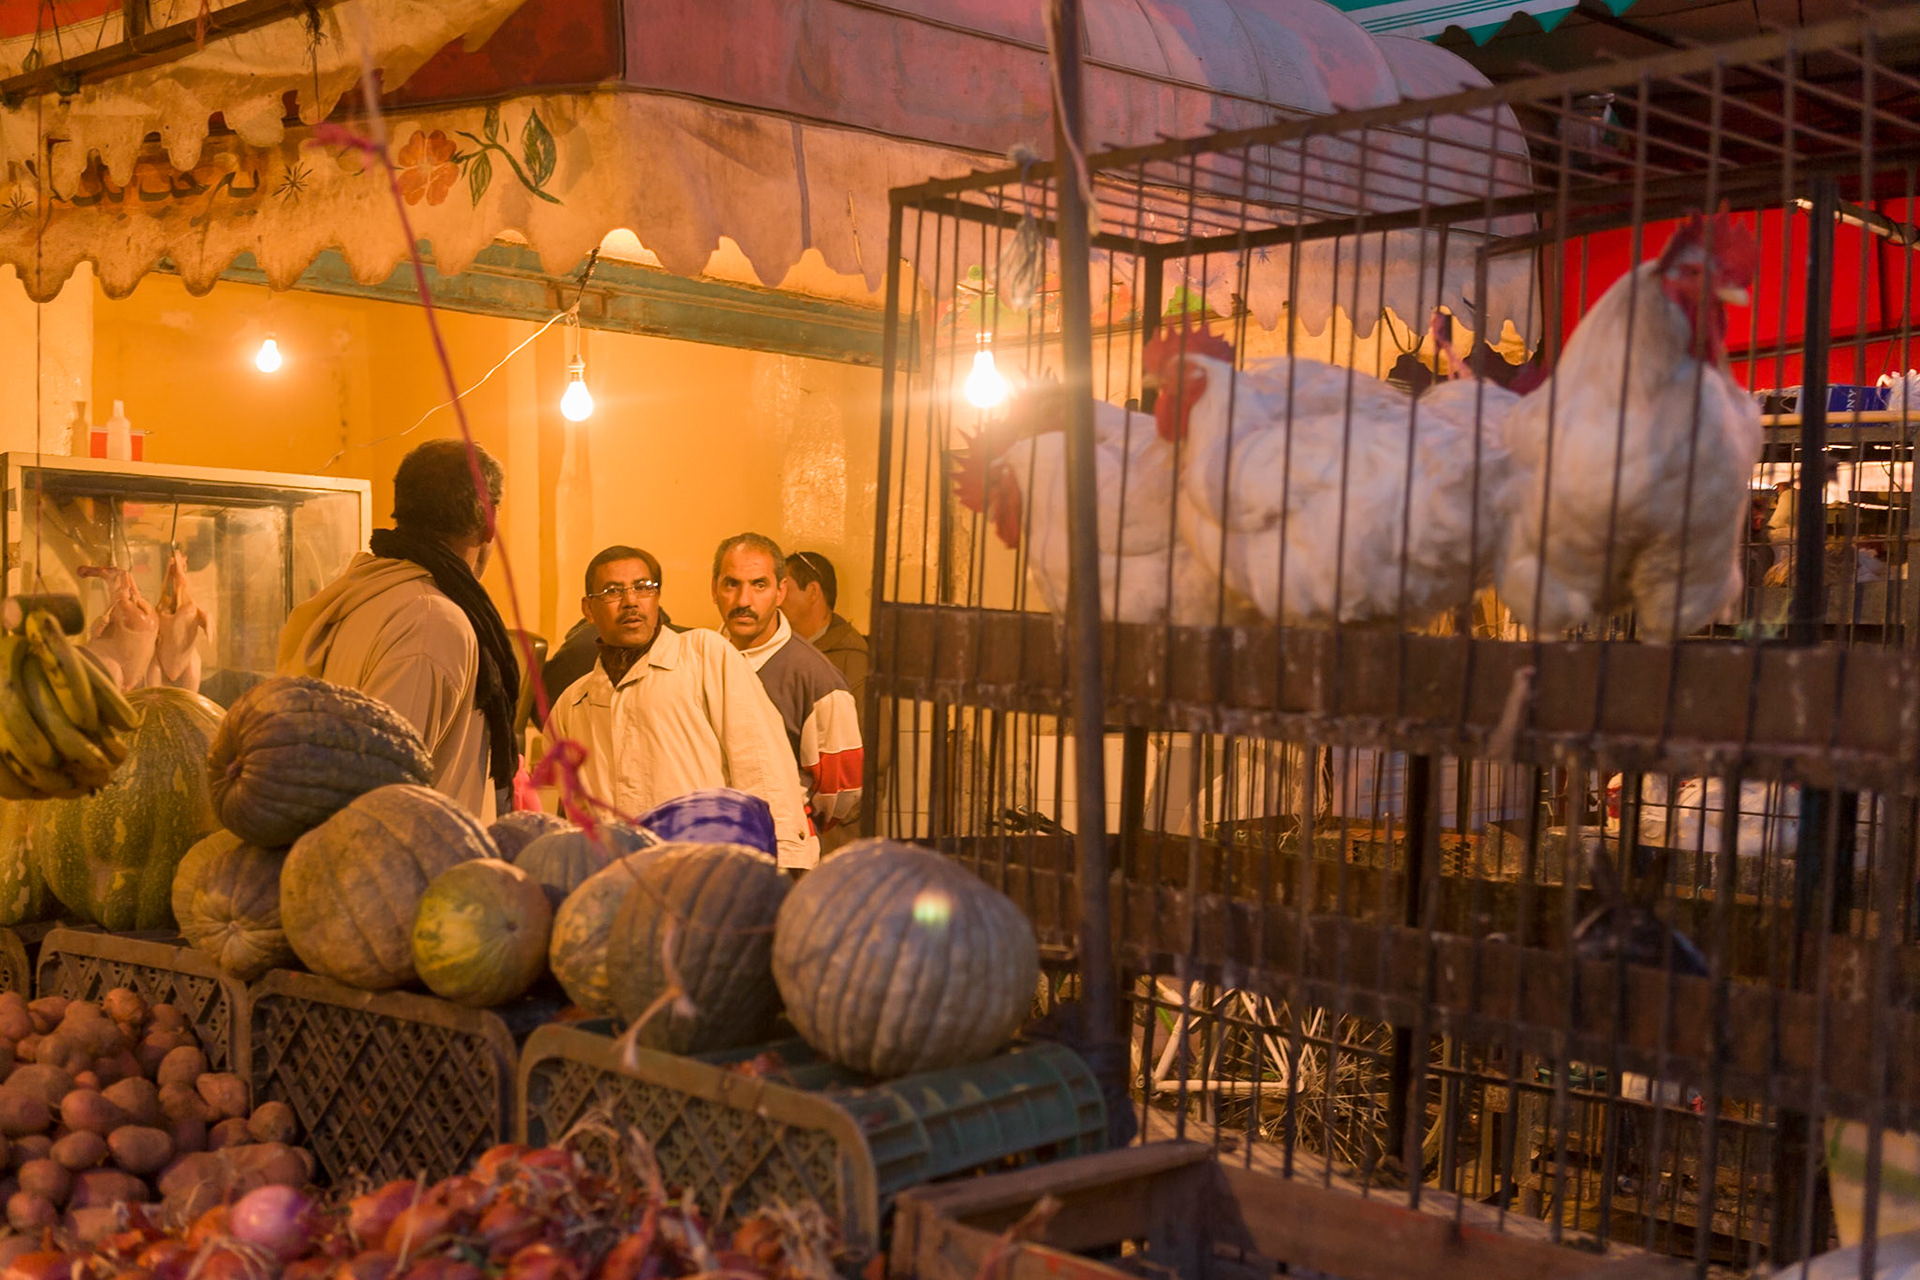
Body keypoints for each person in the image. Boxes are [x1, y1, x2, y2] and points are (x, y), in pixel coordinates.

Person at [278, 439, 519, 820]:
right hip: (420, 871)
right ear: (487, 523)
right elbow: (381, 794)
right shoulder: (432, 623)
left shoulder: (370, 595)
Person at [545, 544, 813, 867]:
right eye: (612, 591)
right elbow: (563, 817)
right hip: (616, 887)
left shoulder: (705, 657)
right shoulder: (572, 705)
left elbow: (762, 766)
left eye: (643, 588)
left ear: (657, 598)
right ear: (588, 610)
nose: (631, 601)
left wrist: (783, 862)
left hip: (706, 877)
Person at [712, 534, 862, 852]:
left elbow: (840, 794)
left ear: (781, 591)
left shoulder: (816, 679)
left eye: (759, 585)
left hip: (780, 857)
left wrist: (790, 821)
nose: (743, 600)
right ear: (714, 589)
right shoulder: (696, 662)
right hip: (709, 854)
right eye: (731, 584)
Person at [779, 550, 868, 709]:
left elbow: (873, 732)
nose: (776, 598)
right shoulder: (778, 647)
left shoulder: (853, 661)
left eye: (785, 588)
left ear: (813, 591)